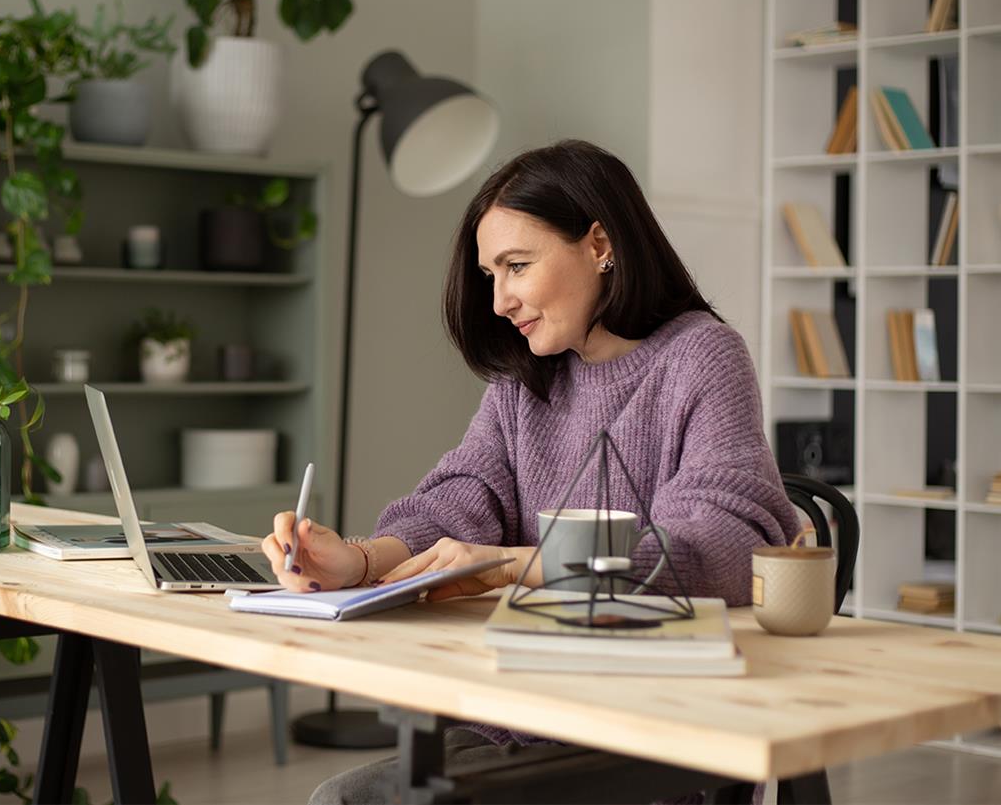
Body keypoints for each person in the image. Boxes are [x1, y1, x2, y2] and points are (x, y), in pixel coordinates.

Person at [260, 140, 800, 805]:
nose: (499, 300)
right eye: (491, 273)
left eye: (516, 265)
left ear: (600, 243)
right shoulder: (527, 379)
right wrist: (358, 561)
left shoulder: (701, 356)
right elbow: (464, 496)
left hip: (642, 738)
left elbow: (724, 545)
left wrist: (516, 564)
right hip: (511, 720)